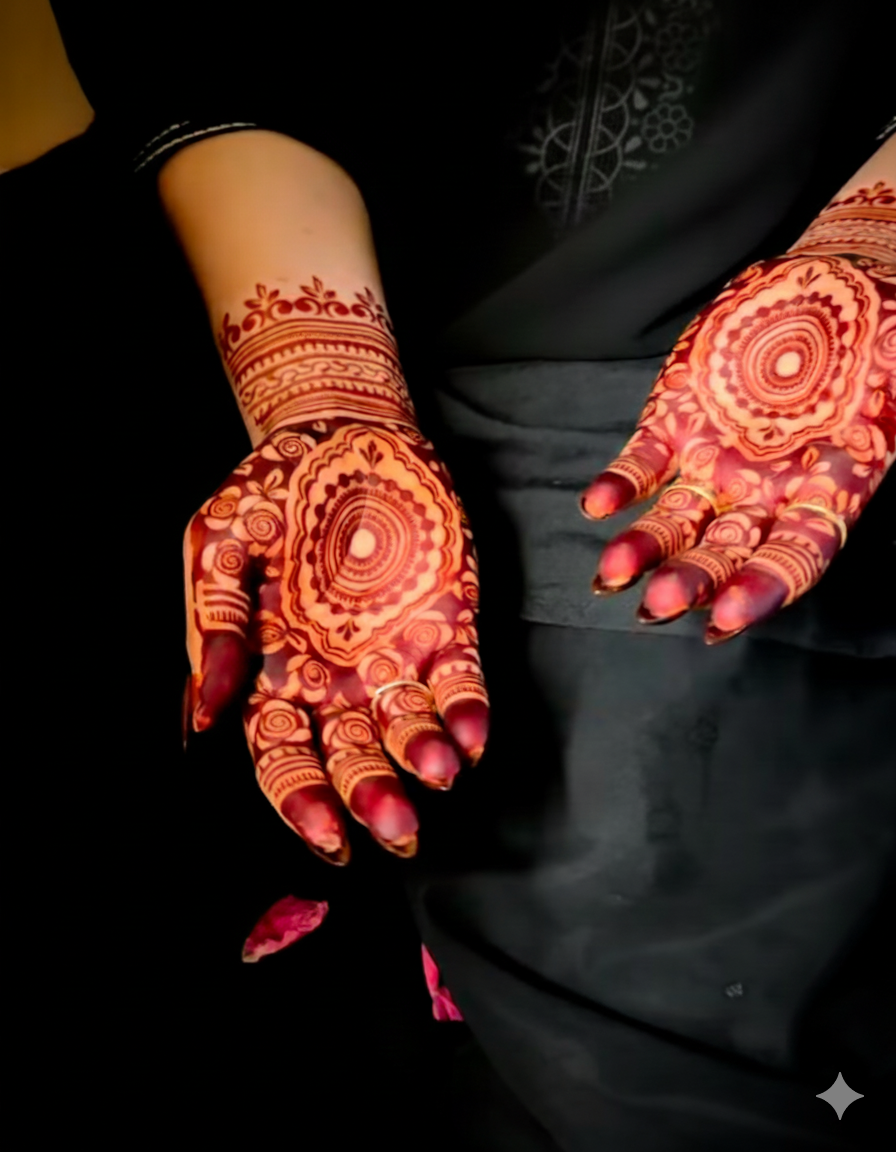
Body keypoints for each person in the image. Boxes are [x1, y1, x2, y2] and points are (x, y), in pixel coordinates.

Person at [12, 1, 895, 1146]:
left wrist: (871, 246)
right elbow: (208, 62)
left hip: (741, 315)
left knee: (647, 828)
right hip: (277, 271)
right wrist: (322, 394)